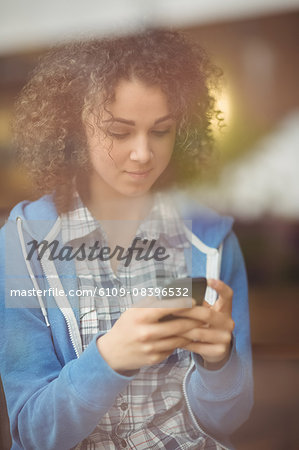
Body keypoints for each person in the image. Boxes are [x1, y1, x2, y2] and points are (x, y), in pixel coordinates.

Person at [0, 30, 253, 450]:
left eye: (161, 130)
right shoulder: (22, 245)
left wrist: (219, 363)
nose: (142, 154)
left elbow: (228, 420)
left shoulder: (212, 241)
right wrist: (110, 358)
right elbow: (33, 433)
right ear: (75, 127)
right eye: (119, 132)